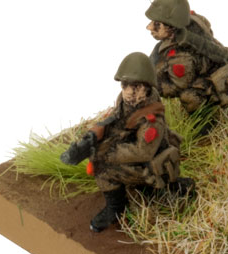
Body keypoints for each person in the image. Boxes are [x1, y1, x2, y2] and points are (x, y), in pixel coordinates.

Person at [60, 52, 192, 232]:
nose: (129, 91)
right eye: (125, 85)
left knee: (102, 168)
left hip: (151, 165)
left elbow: (143, 152)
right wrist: (94, 136)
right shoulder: (125, 100)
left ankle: (116, 208)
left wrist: (107, 153)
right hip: (138, 156)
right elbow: (117, 119)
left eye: (135, 86)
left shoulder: (152, 119)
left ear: (147, 87)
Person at [146, 0, 228, 111]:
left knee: (189, 98)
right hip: (213, 62)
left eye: (157, 24)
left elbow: (177, 87)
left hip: (217, 79)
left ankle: (207, 118)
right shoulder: (193, 19)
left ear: (172, 27)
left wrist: (152, 87)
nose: (149, 27)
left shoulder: (182, 57)